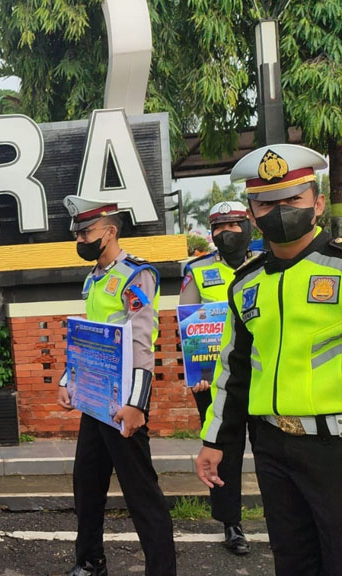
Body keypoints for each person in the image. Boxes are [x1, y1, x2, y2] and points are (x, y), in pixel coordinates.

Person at [196, 144, 342, 575]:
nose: (280, 211)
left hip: (334, 445)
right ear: (252, 213)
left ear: (317, 203)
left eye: (293, 199)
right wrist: (215, 441)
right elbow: (233, 370)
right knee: (292, 560)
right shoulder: (246, 283)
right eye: (266, 203)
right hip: (273, 447)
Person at [57, 196, 176, 576]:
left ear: (109, 232)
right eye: (77, 234)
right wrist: (68, 380)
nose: (80, 239)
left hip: (124, 398)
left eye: (86, 232)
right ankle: (90, 561)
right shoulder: (94, 277)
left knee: (141, 493)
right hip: (95, 398)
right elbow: (88, 339)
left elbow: (142, 343)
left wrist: (137, 404)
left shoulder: (136, 275)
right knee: (86, 485)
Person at [179, 201, 255, 556]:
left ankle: (287, 518)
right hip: (215, 380)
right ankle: (231, 523)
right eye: (219, 227)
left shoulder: (266, 264)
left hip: (262, 375)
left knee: (273, 450)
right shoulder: (197, 270)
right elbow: (188, 323)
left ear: (248, 226)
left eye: (233, 225)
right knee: (222, 450)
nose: (226, 233)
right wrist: (198, 373)